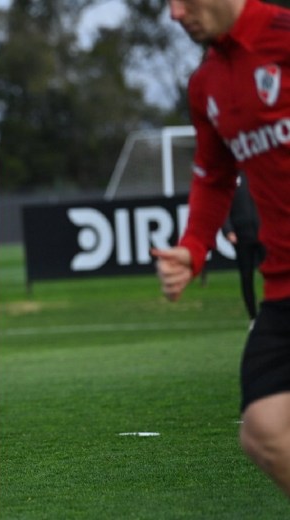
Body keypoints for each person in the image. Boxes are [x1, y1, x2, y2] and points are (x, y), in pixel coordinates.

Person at [151, 0, 290, 498]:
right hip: (282, 286)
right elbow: (213, 176)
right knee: (264, 431)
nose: (174, 13)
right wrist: (193, 248)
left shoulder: (283, 35)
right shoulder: (204, 84)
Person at [221, 172, 263, 321]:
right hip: (241, 236)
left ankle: (273, 311)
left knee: (272, 274)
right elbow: (222, 205)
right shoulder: (230, 176)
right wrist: (228, 230)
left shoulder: (257, 172)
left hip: (263, 233)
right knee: (246, 277)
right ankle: (253, 316)